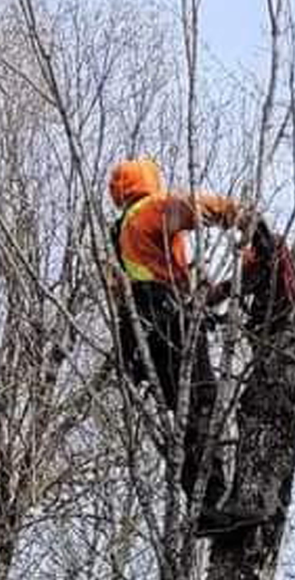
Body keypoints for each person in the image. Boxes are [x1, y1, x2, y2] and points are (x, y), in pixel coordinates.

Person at [106, 157, 270, 536]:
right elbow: (186, 207)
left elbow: (184, 296)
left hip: (146, 333)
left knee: (186, 415)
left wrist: (228, 287)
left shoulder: (122, 237)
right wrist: (238, 214)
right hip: (167, 323)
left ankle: (205, 504)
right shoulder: (148, 210)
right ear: (147, 184)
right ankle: (210, 504)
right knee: (200, 401)